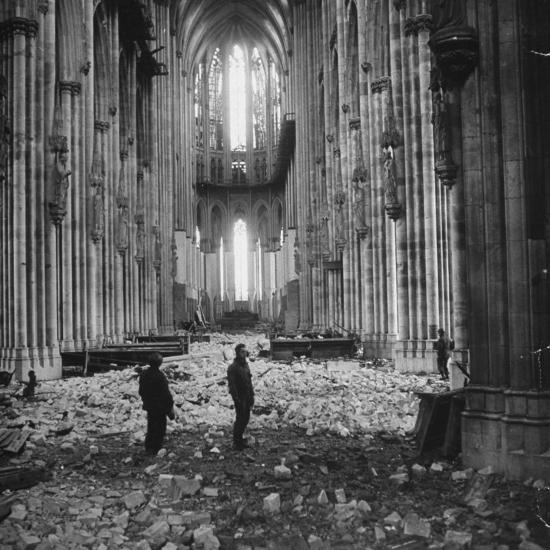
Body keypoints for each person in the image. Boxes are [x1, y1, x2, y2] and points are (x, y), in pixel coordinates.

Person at [138, 352, 175, 455]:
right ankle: (156, 448)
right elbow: (166, 394)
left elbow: (141, 391)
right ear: (160, 363)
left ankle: (149, 447)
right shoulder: (160, 376)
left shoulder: (144, 375)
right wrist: (170, 408)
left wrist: (146, 400)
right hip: (160, 407)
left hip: (150, 405)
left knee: (151, 426)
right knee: (160, 428)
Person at [227, 343, 254, 451]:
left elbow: (249, 381)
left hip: (247, 395)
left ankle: (240, 438)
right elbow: (232, 385)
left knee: (246, 418)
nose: (245, 354)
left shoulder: (246, 365)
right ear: (238, 353)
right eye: (242, 352)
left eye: (245, 351)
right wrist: (236, 398)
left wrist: (252, 396)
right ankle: (236, 441)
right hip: (240, 396)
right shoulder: (233, 367)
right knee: (240, 418)